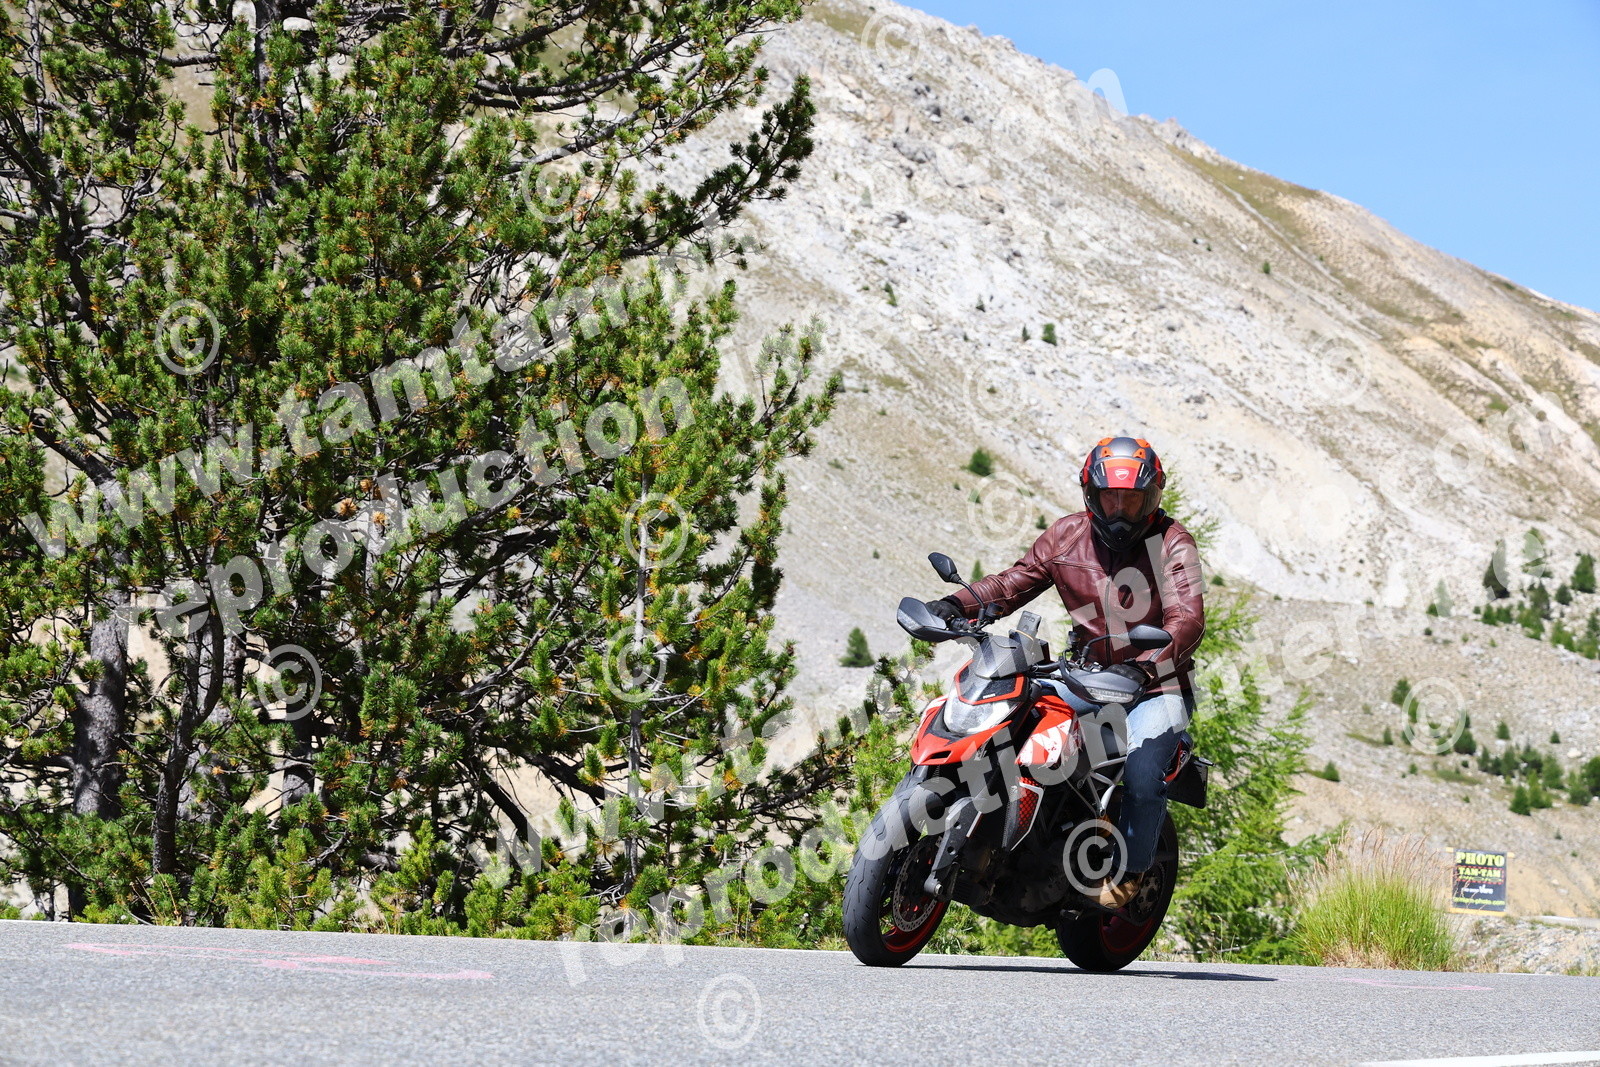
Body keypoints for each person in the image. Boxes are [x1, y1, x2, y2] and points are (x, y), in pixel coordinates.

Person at [926, 436, 1205, 908]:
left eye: (1133, 501)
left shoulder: (1173, 544)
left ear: (1153, 498)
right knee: (1007, 716)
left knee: (1142, 773)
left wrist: (1144, 668)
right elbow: (1013, 582)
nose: (1120, 512)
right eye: (1110, 499)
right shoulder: (1067, 536)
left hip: (1158, 685)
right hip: (1084, 674)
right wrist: (957, 603)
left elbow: (1187, 619)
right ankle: (995, 822)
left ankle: (1131, 872)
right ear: (1091, 495)